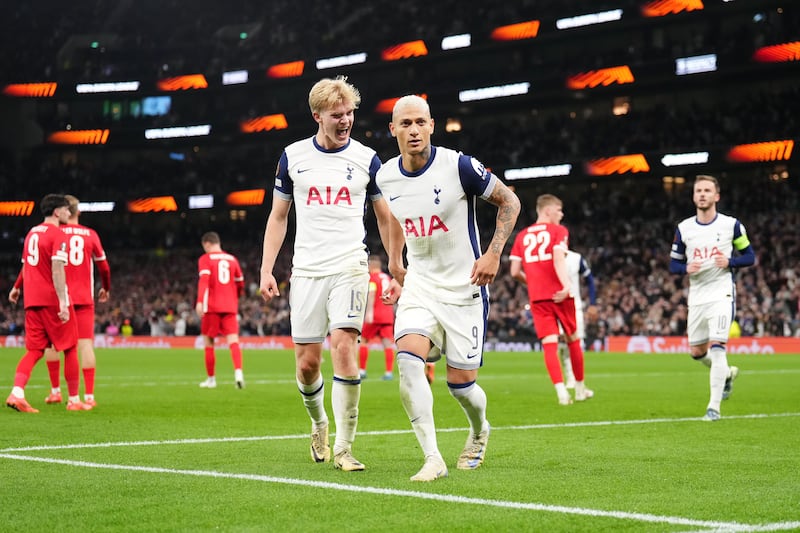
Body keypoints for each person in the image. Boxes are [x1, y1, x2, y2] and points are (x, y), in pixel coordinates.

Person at [378, 95, 521, 481]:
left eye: (419, 122)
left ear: (431, 125)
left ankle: (479, 430)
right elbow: (393, 217)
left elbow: (510, 200)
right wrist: (395, 262)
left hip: (464, 289)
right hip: (421, 286)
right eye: (405, 123)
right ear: (393, 130)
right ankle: (432, 458)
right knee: (408, 360)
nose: (413, 130)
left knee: (461, 386)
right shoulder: (386, 176)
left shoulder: (458, 166)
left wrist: (493, 254)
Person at [259, 76, 394, 472]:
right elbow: (279, 216)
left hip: (351, 266)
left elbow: (386, 219)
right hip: (306, 271)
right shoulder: (293, 157)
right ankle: (319, 422)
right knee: (307, 364)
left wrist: (397, 265)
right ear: (317, 115)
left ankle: (345, 447)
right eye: (338, 115)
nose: (346, 120)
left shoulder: (367, 159)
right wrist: (267, 268)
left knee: (345, 347)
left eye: (350, 113)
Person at [669, 174, 755, 421]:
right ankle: (727, 374)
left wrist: (731, 261)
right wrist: (685, 268)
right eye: (698, 191)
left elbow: (750, 256)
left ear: (716, 196)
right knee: (696, 352)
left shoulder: (731, 226)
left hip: (721, 293)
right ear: (694, 196)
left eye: (707, 190)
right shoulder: (684, 229)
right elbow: (673, 265)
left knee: (717, 347)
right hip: (697, 296)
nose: (703, 194)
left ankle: (713, 408)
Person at [17, 194, 111, 407]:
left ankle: (55, 391)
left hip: (56, 296)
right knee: (83, 346)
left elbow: (31, 265)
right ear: (77, 212)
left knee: (52, 344)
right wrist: (106, 288)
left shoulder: (45, 232)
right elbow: (104, 267)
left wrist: (17, 287)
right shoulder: (89, 234)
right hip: (79, 297)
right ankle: (87, 397)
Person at [6, 194, 88, 412]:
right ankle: (74, 400)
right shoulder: (58, 234)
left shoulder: (32, 232)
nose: (69, 214)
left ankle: (17, 393)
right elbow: (57, 268)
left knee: (35, 350)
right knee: (70, 347)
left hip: (32, 300)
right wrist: (63, 301)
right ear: (56, 212)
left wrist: (16, 287)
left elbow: (26, 265)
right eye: (65, 210)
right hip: (52, 299)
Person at [509, 194, 594, 406]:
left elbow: (514, 272)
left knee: (549, 344)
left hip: (538, 297)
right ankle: (581, 389)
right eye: (559, 209)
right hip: (559, 294)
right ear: (547, 211)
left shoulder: (522, 236)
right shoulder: (559, 231)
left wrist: (533, 283)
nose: (561, 214)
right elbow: (558, 259)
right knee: (573, 339)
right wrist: (566, 285)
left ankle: (561, 393)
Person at [196, 231, 246, 389]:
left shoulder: (206, 259)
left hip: (212, 306)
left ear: (207, 244)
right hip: (230, 306)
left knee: (209, 342)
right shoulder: (232, 259)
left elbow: (204, 281)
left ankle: (211, 380)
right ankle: (238, 373)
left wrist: (199, 302)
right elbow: (240, 284)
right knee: (233, 341)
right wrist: (234, 298)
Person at [558, 249, 596, 388]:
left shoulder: (576, 258)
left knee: (577, 342)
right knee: (562, 343)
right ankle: (569, 375)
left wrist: (593, 303)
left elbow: (590, 280)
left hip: (575, 305)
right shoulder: (548, 257)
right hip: (555, 305)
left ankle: (577, 378)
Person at [358, 255, 396, 381]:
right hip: (388, 314)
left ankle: (362, 370)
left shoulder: (372, 279)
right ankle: (389, 372)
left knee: (363, 341)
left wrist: (368, 313)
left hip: (375, 314)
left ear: (371, 266)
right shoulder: (387, 277)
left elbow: (372, 294)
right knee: (387, 344)